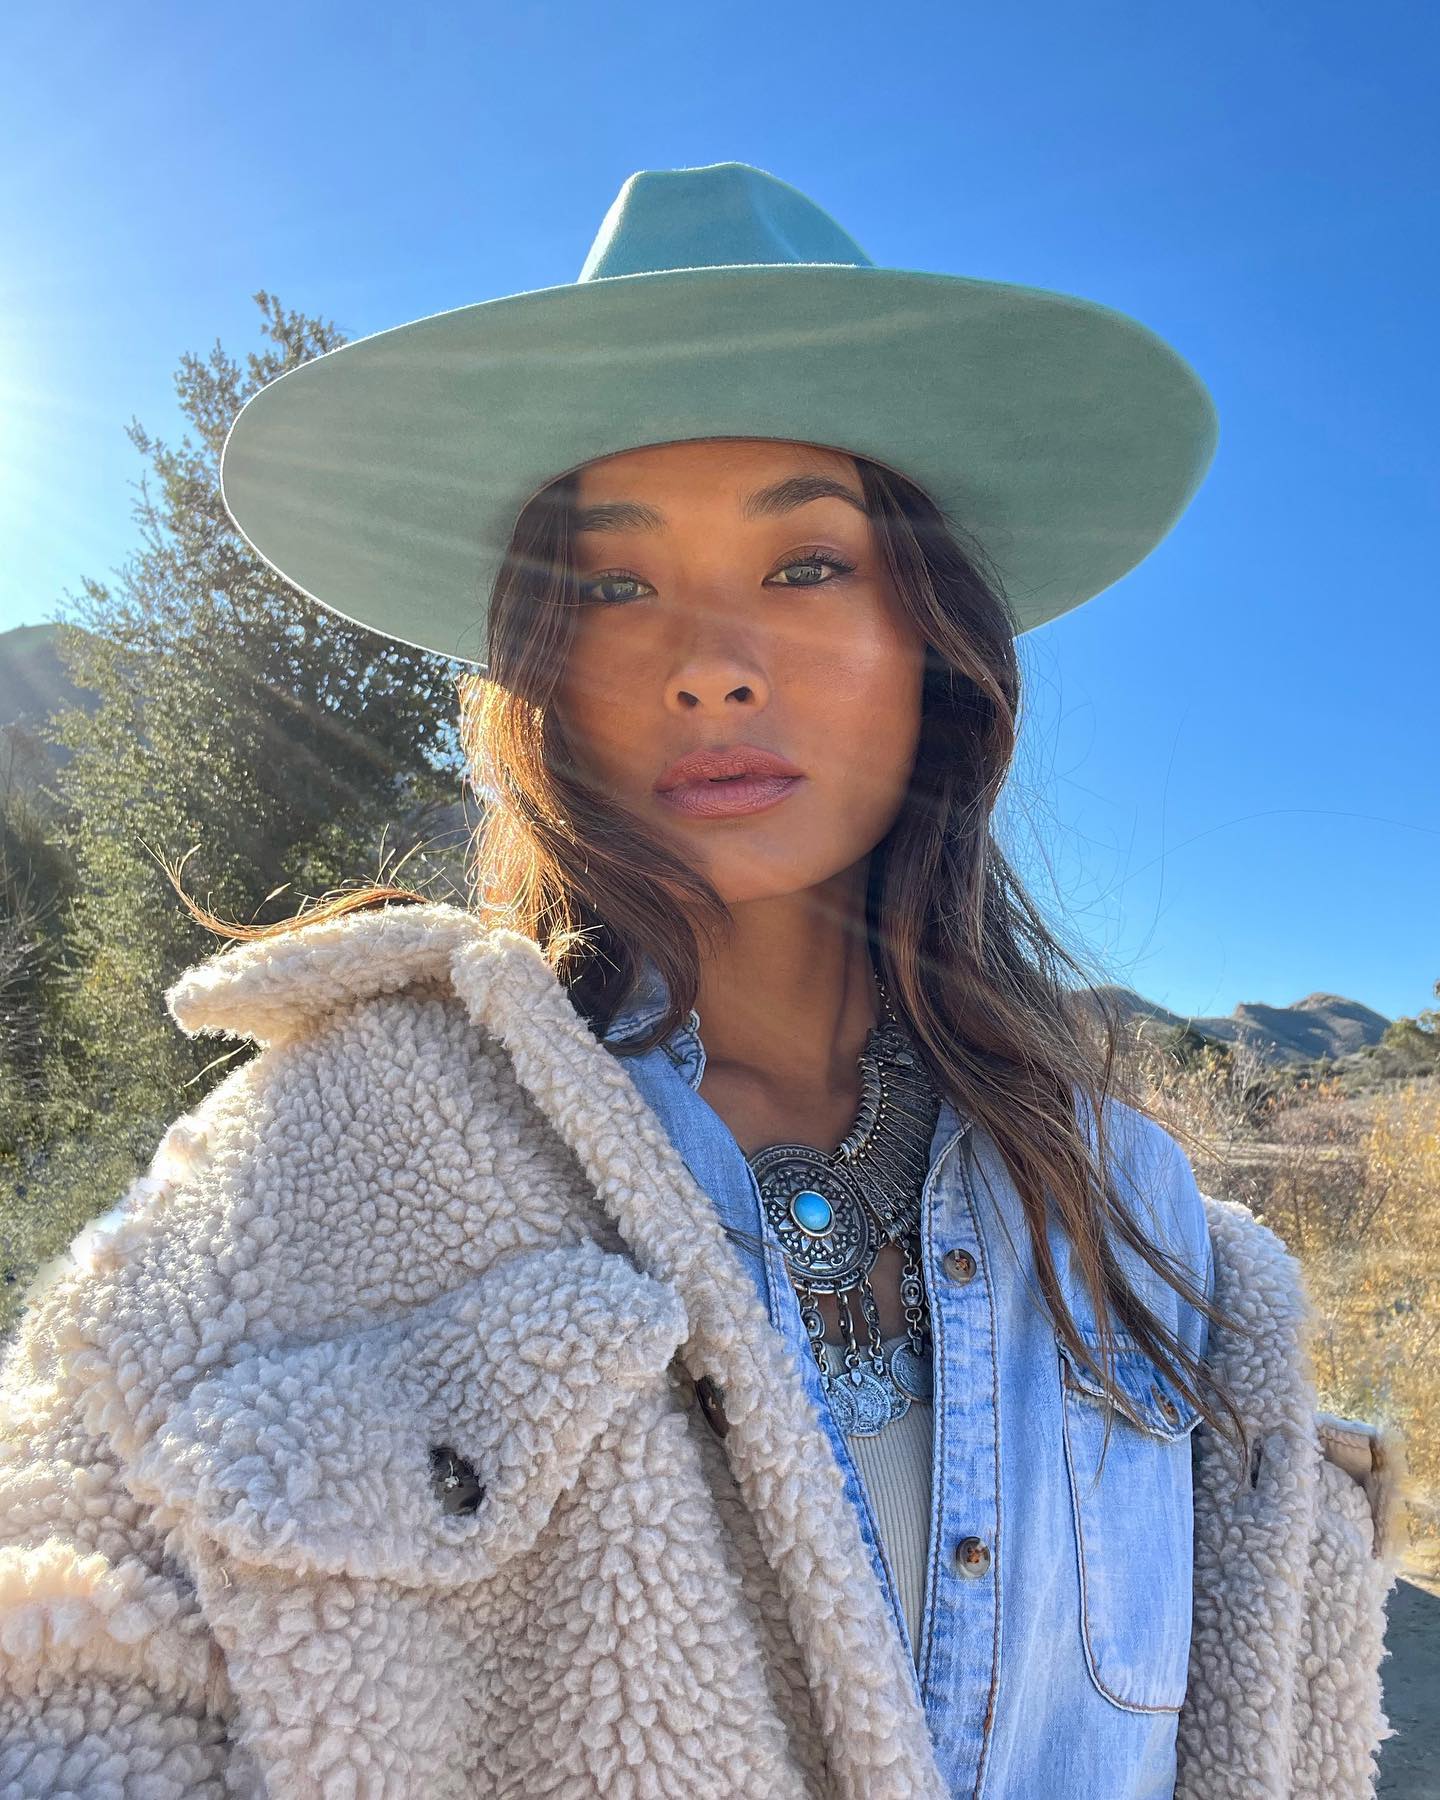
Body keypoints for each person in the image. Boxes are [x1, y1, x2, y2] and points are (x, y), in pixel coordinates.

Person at [0, 163, 1403, 1799]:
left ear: (935, 637)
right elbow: (69, 1644)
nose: (712, 659)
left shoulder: (1150, 1230)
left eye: (808, 564)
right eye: (612, 584)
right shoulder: (319, 1163)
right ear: (540, 674)